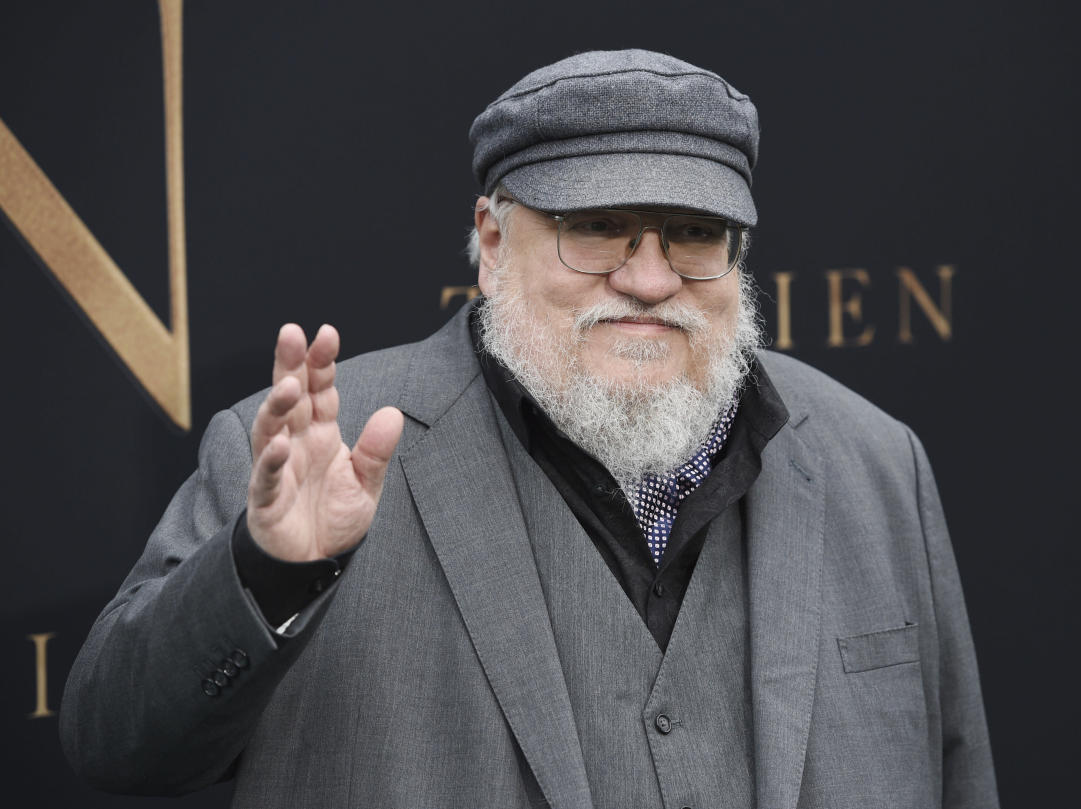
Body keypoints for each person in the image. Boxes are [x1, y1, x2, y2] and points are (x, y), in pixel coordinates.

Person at [61, 49, 999, 808]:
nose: (649, 277)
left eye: (693, 233)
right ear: (495, 238)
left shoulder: (876, 462)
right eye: (598, 227)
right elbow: (116, 744)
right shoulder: (326, 449)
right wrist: (272, 572)